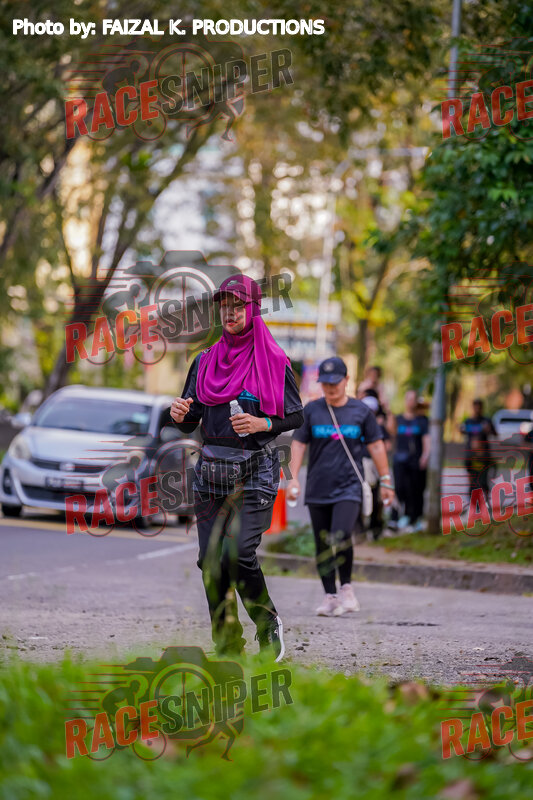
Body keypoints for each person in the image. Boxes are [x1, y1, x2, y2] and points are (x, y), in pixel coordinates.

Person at [170, 274, 303, 661]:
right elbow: (189, 419)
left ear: (254, 309)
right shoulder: (205, 361)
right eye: (224, 306)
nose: (230, 312)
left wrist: (263, 423)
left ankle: (268, 624)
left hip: (255, 471)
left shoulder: (274, 360)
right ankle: (228, 646)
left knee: (239, 553)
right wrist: (177, 413)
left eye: (238, 305)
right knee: (210, 561)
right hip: (211, 471)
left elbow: (296, 415)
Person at [288, 357, 394, 616]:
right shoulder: (311, 410)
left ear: (347, 380)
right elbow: (299, 444)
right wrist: (293, 478)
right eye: (325, 383)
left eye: (335, 382)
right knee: (323, 541)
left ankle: (346, 588)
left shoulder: (361, 411)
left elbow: (376, 445)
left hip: (349, 486)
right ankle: (330, 596)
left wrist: (386, 480)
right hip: (318, 486)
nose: (330, 387)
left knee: (341, 534)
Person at [388, 389, 430, 533]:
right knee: (399, 488)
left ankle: (414, 518)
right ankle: (395, 518)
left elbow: (427, 439)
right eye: (409, 399)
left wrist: (425, 455)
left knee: (415, 490)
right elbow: (390, 432)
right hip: (400, 460)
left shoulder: (422, 421)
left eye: (413, 399)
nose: (411, 402)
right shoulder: (398, 419)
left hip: (415, 461)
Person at [360, 390, 392, 540]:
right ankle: (360, 529)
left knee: (376, 497)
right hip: (360, 464)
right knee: (359, 497)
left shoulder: (379, 427)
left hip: (375, 465)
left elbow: (387, 445)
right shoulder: (357, 425)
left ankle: (375, 528)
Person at [460, 399, 496, 502]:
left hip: (483, 454)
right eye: (475, 407)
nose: (477, 409)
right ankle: (472, 498)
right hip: (471, 454)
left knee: (483, 478)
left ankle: (485, 499)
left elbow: (494, 433)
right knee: (472, 476)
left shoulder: (486, 421)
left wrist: (488, 429)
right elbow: (462, 431)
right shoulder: (468, 421)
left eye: (479, 407)